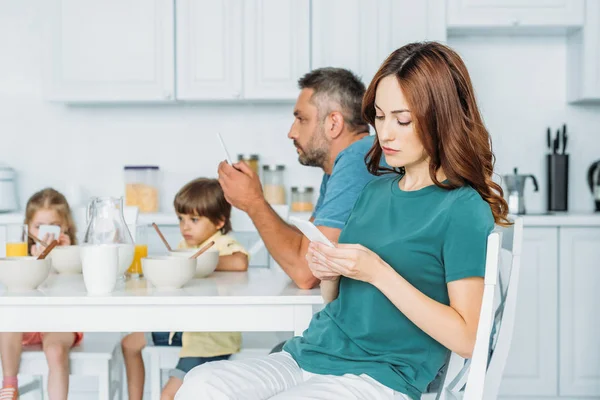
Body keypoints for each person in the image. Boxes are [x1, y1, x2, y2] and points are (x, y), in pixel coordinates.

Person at [175, 42, 511, 400]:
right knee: (200, 382)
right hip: (307, 356)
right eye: (380, 117)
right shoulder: (375, 192)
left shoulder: (461, 207)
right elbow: (335, 301)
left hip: (381, 376)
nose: (386, 133)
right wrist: (330, 274)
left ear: (441, 117)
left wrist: (378, 272)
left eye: (403, 119)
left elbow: (466, 338)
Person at [218, 67, 380, 290]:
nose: (292, 132)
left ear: (334, 123)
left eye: (301, 119)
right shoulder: (343, 163)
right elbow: (310, 245)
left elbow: (306, 273)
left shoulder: (356, 159)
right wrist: (254, 200)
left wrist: (253, 203)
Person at [121, 178, 248, 400]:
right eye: (181, 219)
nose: (185, 226)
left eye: (194, 219)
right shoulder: (185, 247)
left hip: (210, 337)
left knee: (167, 396)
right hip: (183, 327)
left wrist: (200, 262)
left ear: (219, 221)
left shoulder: (222, 244)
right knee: (129, 343)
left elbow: (240, 262)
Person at [0, 188, 82, 400]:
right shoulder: (21, 254)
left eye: (54, 226)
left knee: (55, 351)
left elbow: (78, 285)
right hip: (28, 322)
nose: (46, 233)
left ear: (66, 226)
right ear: (28, 227)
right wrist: (37, 263)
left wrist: (64, 256)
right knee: (7, 326)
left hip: (61, 323)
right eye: (39, 226)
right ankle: (10, 385)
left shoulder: (74, 253)